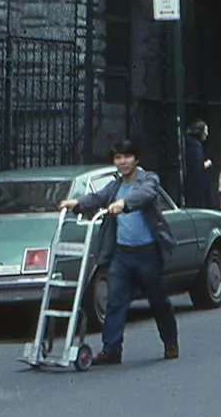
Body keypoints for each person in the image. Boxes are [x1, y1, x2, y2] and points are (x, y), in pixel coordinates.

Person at [59, 139, 178, 365]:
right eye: (118, 158)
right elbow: (97, 198)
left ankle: (170, 342)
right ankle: (111, 349)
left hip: (148, 254)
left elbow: (146, 195)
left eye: (126, 157)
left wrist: (123, 204)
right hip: (123, 255)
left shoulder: (148, 180)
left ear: (136, 159)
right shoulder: (114, 186)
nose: (122, 163)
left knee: (158, 301)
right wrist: (76, 203)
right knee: (115, 301)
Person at [182, 120, 215, 209]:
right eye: (206, 131)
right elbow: (198, 166)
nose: (207, 133)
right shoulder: (195, 147)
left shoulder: (192, 145)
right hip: (196, 187)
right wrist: (208, 163)